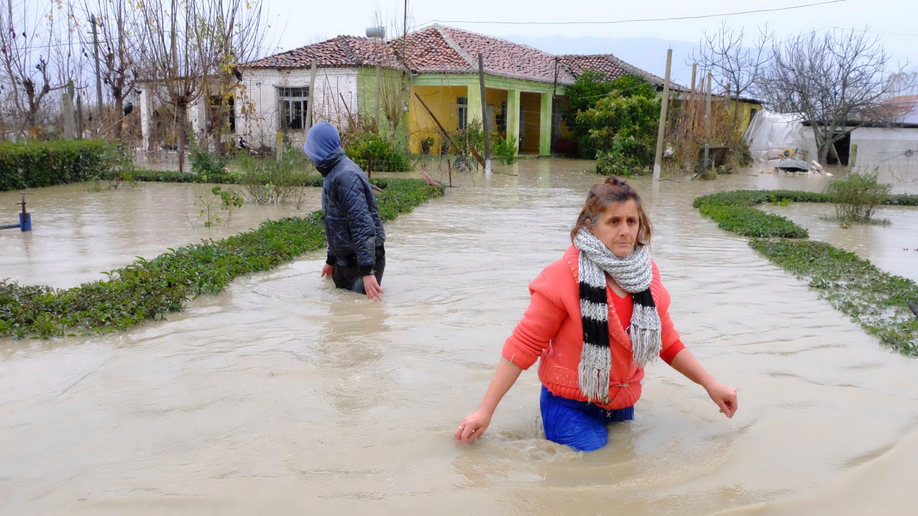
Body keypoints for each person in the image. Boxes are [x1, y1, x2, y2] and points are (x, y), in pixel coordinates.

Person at [455, 176, 737, 452]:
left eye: (631, 221)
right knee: (599, 459)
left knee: (624, 459)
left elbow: (667, 341)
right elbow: (523, 345)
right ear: (590, 228)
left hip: (621, 402)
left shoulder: (647, 277)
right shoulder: (562, 276)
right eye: (613, 222)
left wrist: (710, 385)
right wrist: (484, 411)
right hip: (568, 404)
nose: (625, 231)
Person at [304, 122, 385, 301]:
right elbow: (336, 224)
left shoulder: (345, 176)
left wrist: (367, 271)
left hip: (362, 260)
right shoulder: (333, 172)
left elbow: (361, 223)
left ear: (319, 149)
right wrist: (330, 260)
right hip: (346, 259)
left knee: (364, 314)